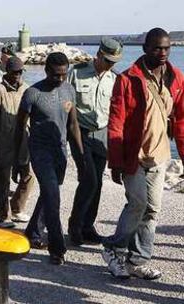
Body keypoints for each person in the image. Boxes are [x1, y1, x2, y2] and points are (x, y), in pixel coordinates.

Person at [102, 28, 184, 280]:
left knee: (153, 210)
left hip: (160, 155)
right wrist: (115, 162)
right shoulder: (127, 79)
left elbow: (181, 120)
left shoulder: (176, 78)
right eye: (157, 48)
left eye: (167, 48)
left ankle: (137, 260)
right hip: (134, 156)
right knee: (138, 203)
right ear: (145, 48)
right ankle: (113, 248)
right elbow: (116, 122)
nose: (162, 53)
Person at [15, 52, 85, 265]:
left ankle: (32, 230)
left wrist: (80, 156)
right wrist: (20, 161)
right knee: (53, 196)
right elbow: (19, 129)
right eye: (56, 75)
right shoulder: (32, 93)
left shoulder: (69, 90)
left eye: (64, 74)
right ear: (46, 71)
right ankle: (57, 247)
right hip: (39, 151)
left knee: (49, 193)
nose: (60, 79)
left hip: (60, 152)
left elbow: (73, 125)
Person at [67, 38, 123, 246]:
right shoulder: (77, 72)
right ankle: (75, 226)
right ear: (98, 55)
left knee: (97, 182)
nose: (110, 65)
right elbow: (66, 102)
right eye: (107, 60)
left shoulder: (114, 79)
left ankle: (87, 226)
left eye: (114, 61)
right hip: (79, 132)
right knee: (88, 179)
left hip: (102, 134)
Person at [0, 56, 34, 227]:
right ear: (7, 71)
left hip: (24, 141)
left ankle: (17, 207)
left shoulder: (27, 89)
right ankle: (3, 215)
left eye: (20, 72)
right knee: (3, 179)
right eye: (15, 72)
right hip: (4, 141)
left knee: (29, 176)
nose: (18, 75)